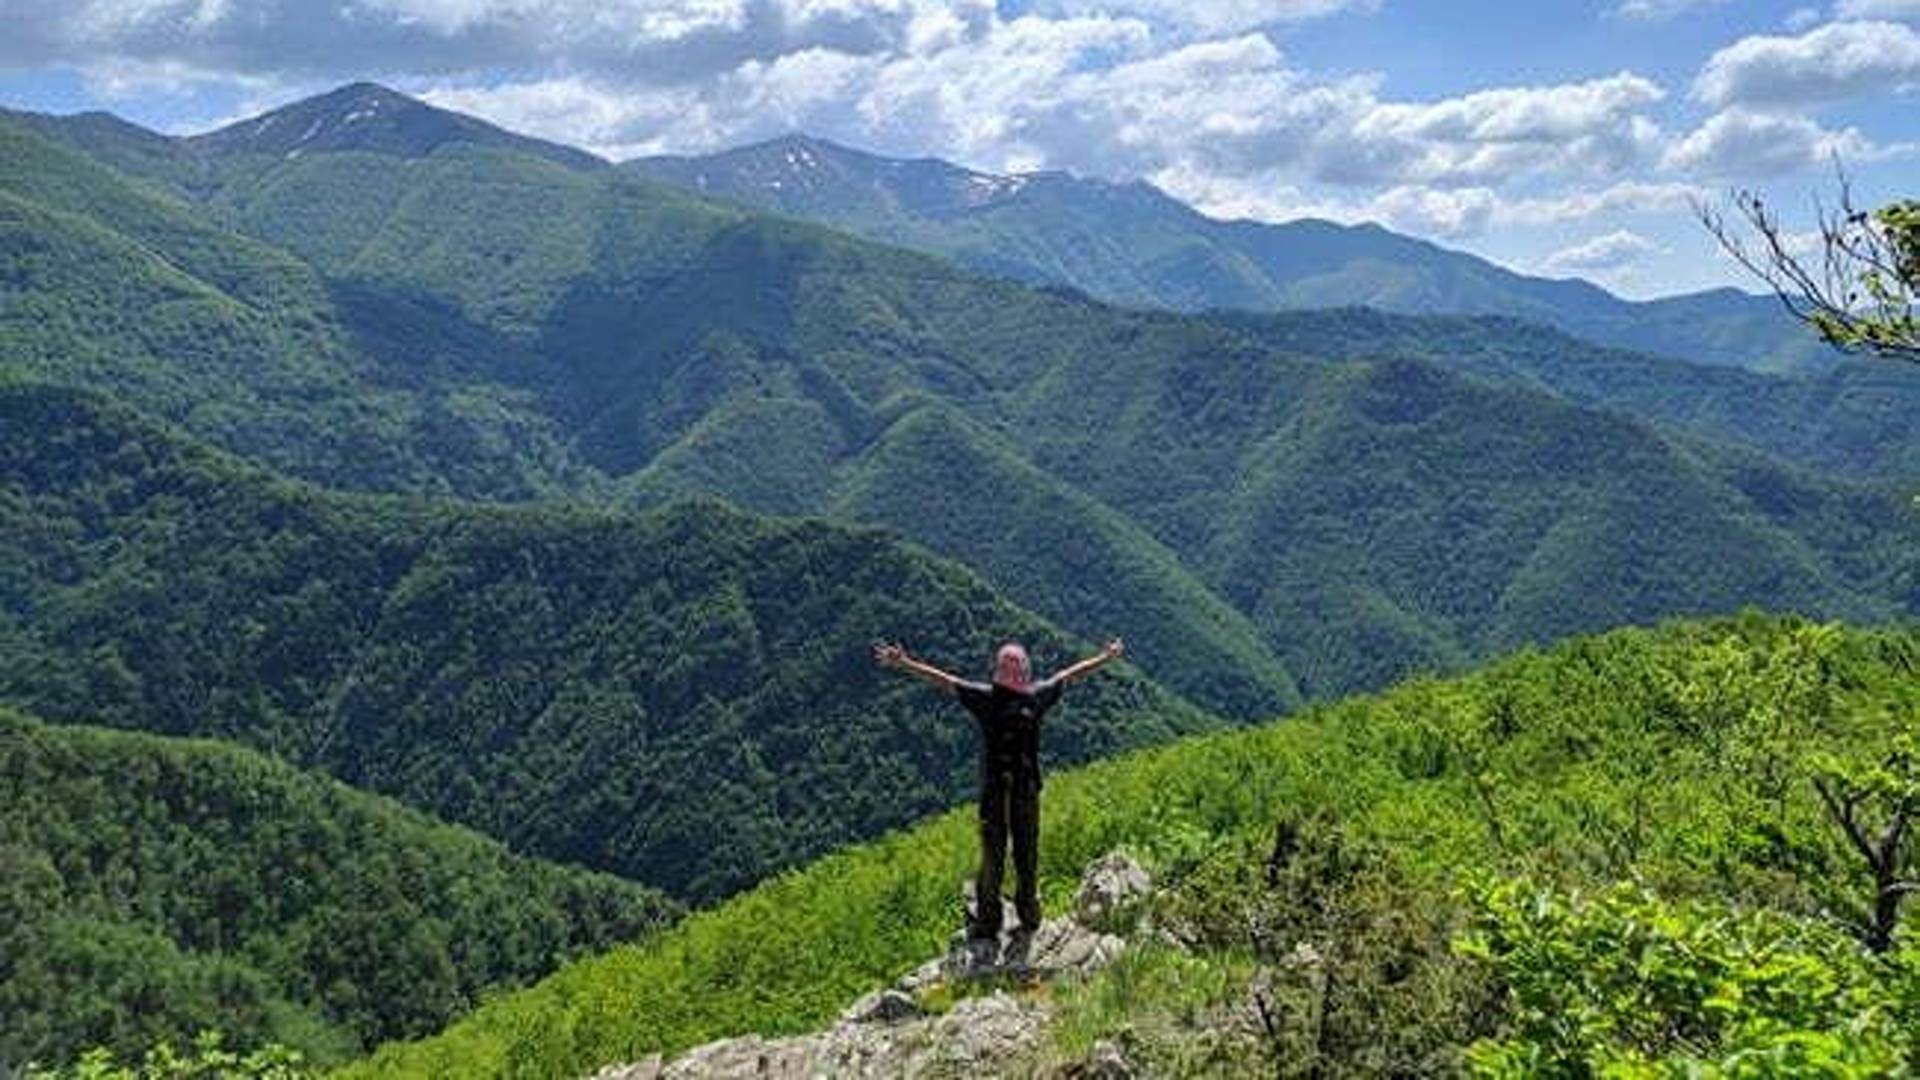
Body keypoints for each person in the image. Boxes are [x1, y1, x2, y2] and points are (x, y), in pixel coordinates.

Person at [872, 636, 1126, 939]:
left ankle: (988, 922)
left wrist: (904, 663)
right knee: (1026, 853)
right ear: (1026, 670)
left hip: (994, 792)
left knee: (993, 857)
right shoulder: (1036, 697)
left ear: (998, 670)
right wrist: (1105, 657)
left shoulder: (986, 698)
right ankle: (1029, 916)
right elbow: (1070, 675)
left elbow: (944, 681)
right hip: (1026, 788)